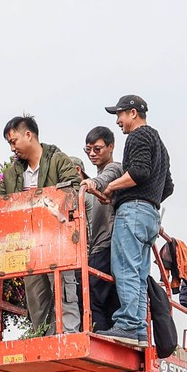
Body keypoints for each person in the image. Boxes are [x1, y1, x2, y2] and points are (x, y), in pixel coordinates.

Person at [0, 115, 81, 335]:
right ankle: (42, 336)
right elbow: (2, 203)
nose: (12, 148)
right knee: (35, 296)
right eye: (9, 143)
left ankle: (68, 335)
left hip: (58, 241)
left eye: (14, 141)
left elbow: (75, 189)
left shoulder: (59, 160)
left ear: (29, 135)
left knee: (63, 289)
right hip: (29, 245)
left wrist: (44, 200)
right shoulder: (13, 173)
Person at [94, 95, 173, 346]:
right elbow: (168, 186)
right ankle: (138, 329)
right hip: (150, 214)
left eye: (120, 115)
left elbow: (139, 172)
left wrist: (112, 188)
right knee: (138, 274)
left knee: (126, 269)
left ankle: (128, 325)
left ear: (133, 113)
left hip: (134, 213)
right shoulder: (159, 142)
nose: (118, 121)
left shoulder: (139, 136)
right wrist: (148, 197)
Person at [78, 126, 123, 331]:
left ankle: (98, 336)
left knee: (90, 295)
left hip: (105, 245)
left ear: (111, 146)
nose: (92, 154)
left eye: (97, 149)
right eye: (88, 150)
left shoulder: (114, 170)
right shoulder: (96, 177)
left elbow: (107, 176)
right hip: (98, 246)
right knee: (107, 299)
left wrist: (92, 182)